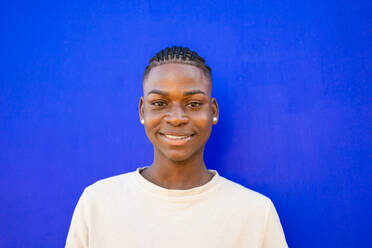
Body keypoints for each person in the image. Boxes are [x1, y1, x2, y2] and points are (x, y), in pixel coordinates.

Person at [65, 46, 288, 248]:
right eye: (160, 104)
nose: (177, 118)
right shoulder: (97, 204)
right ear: (143, 111)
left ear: (213, 111)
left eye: (193, 104)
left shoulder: (256, 213)